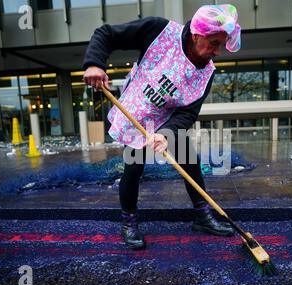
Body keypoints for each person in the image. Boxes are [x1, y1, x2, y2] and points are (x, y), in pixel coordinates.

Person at [83, 4, 241, 249]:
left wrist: (166, 135)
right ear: (197, 35)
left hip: (168, 119)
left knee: (190, 161)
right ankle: (129, 221)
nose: (217, 51)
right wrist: (95, 64)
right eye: (213, 43)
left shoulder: (207, 72)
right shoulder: (159, 30)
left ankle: (202, 215)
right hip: (136, 111)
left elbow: (188, 112)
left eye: (221, 44)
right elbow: (106, 34)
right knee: (134, 167)